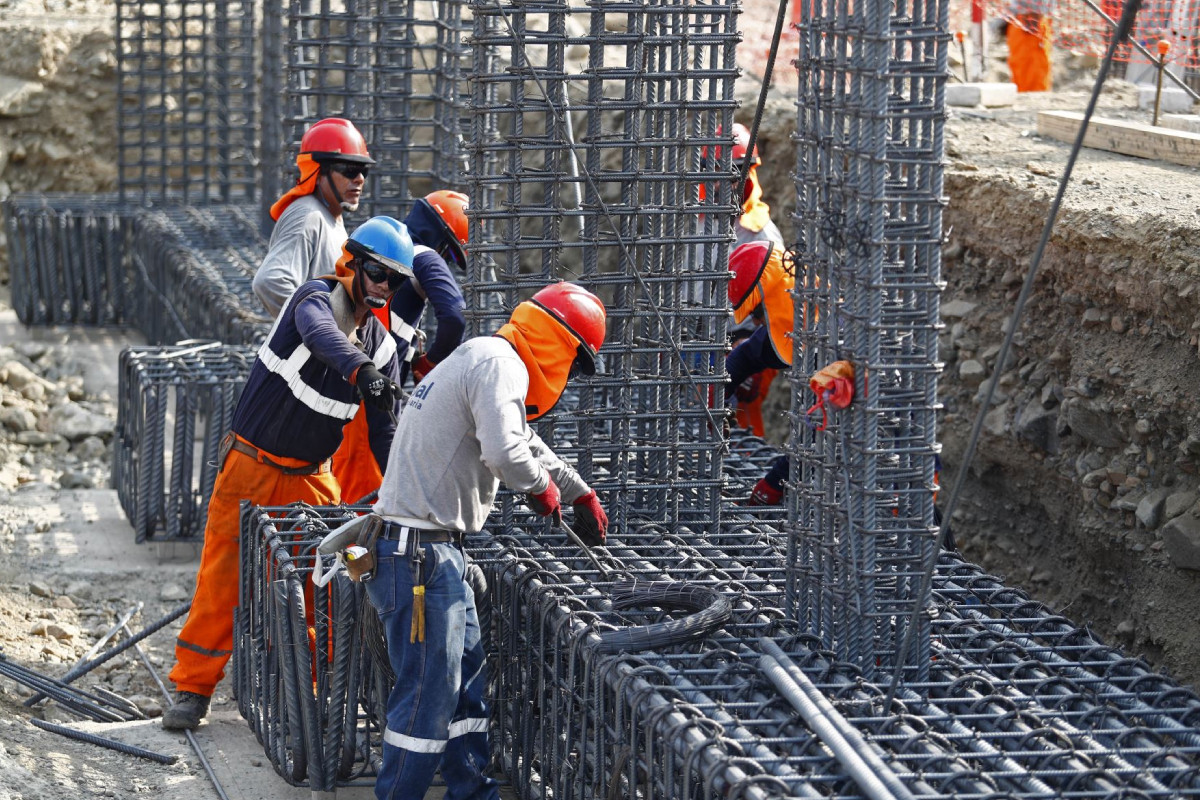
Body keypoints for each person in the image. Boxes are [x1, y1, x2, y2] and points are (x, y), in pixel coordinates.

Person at [162, 217, 414, 731]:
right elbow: (322, 336)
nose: (384, 285)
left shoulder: (384, 351)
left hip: (312, 478)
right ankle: (193, 687)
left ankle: (309, 696)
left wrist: (398, 491)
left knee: (318, 588)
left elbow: (385, 434)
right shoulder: (314, 298)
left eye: (395, 279)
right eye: (376, 271)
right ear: (355, 264)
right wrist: (359, 370)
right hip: (251, 465)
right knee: (223, 579)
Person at [365, 282, 610, 800]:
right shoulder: (499, 363)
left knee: (464, 691)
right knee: (426, 701)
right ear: (559, 342)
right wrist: (541, 489)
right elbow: (505, 454)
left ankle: (475, 794)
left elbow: (524, 441)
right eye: (576, 361)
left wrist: (576, 489)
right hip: (419, 559)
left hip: (435, 554)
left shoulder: (488, 357)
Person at [332, 190, 469, 504]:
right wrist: (430, 365)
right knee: (364, 493)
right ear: (443, 241)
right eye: (448, 255)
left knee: (343, 484)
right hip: (373, 395)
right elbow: (454, 318)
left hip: (348, 382)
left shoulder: (379, 251)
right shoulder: (424, 255)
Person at [252, 117, 374, 318]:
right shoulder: (307, 216)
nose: (359, 178)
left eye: (363, 170)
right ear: (318, 172)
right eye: (350, 169)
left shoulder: (330, 217)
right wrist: (320, 329)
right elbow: (270, 282)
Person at [725, 240, 796, 505]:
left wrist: (776, 481)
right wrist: (717, 395)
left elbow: (822, 435)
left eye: (756, 312)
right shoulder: (791, 312)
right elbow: (745, 357)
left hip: (882, 446)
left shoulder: (827, 346)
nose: (755, 322)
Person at [1006, 0, 1053, 92]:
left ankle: (1035, 98)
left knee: (1034, 69)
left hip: (1030, 23)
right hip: (1022, 22)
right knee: (1021, 66)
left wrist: (1035, 16)